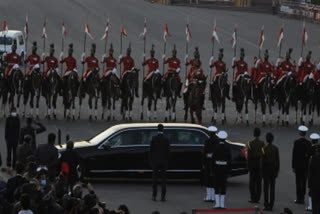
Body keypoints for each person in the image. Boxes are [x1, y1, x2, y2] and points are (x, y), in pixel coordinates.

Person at [150, 124, 170, 201]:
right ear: (163, 130)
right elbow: (168, 152)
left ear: (157, 130)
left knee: (155, 179)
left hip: (155, 161)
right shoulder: (166, 139)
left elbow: (151, 151)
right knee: (163, 180)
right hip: (164, 162)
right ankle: (163, 197)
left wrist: (151, 161)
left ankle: (154, 196)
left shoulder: (154, 138)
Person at [292, 125, 311, 204]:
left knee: (298, 181)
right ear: (305, 133)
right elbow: (309, 155)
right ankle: (302, 197)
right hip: (305, 166)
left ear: (300, 133)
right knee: (303, 182)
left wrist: (293, 166)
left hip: (298, 165)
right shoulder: (308, 143)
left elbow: (294, 155)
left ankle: (298, 198)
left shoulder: (296, 142)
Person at [262, 132, 280, 211]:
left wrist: (261, 172)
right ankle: (271, 205)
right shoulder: (276, 148)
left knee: (266, 188)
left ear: (266, 139)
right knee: (272, 188)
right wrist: (277, 171)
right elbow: (278, 161)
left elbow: (262, 162)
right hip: (273, 170)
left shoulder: (264, 149)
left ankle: (266, 205)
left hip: (266, 170)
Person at [213, 130, 231, 209]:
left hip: (217, 167)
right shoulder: (227, 148)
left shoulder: (216, 147)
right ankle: (222, 204)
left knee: (217, 185)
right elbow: (229, 160)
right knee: (223, 186)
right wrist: (228, 170)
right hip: (224, 168)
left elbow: (213, 159)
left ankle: (217, 204)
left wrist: (213, 169)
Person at [247, 127, 265, 203]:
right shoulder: (262, 143)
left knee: (252, 182)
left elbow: (249, 156)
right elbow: (264, 155)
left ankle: (253, 197)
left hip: (252, 165)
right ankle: (257, 198)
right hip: (259, 165)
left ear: (254, 134)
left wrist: (248, 166)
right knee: (258, 182)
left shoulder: (249, 143)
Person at [203, 126, 218, 202]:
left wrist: (204, 162)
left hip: (209, 161)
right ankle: (213, 197)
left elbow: (205, 152)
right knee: (214, 179)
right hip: (215, 161)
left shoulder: (207, 141)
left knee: (208, 179)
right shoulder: (217, 141)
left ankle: (209, 196)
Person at [306, 133, 320, 212]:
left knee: (312, 193)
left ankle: (311, 206)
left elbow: (307, 159)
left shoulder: (310, 150)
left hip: (313, 177)